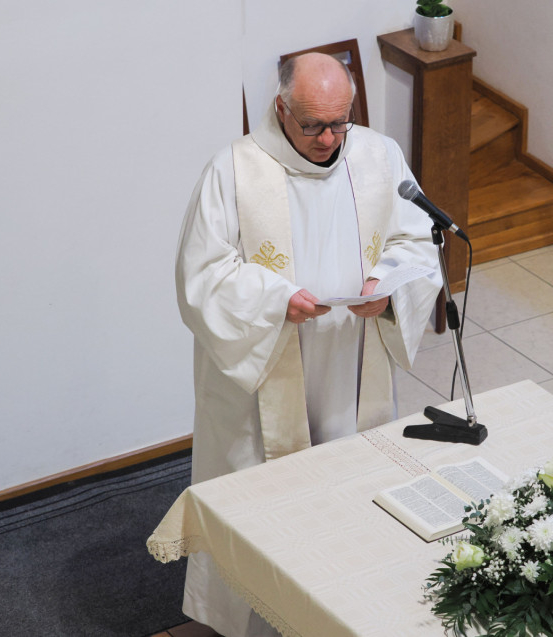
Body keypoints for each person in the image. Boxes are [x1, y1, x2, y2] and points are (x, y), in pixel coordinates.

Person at [174, 52, 442, 636]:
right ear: (280, 108)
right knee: (261, 501)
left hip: (350, 359)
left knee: (351, 485)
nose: (328, 139)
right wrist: (275, 300)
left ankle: (351, 609)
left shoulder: (379, 157)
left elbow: (418, 241)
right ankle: (252, 622)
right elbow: (202, 275)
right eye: (313, 125)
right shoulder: (234, 170)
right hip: (267, 362)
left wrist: (387, 289)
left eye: (339, 123)